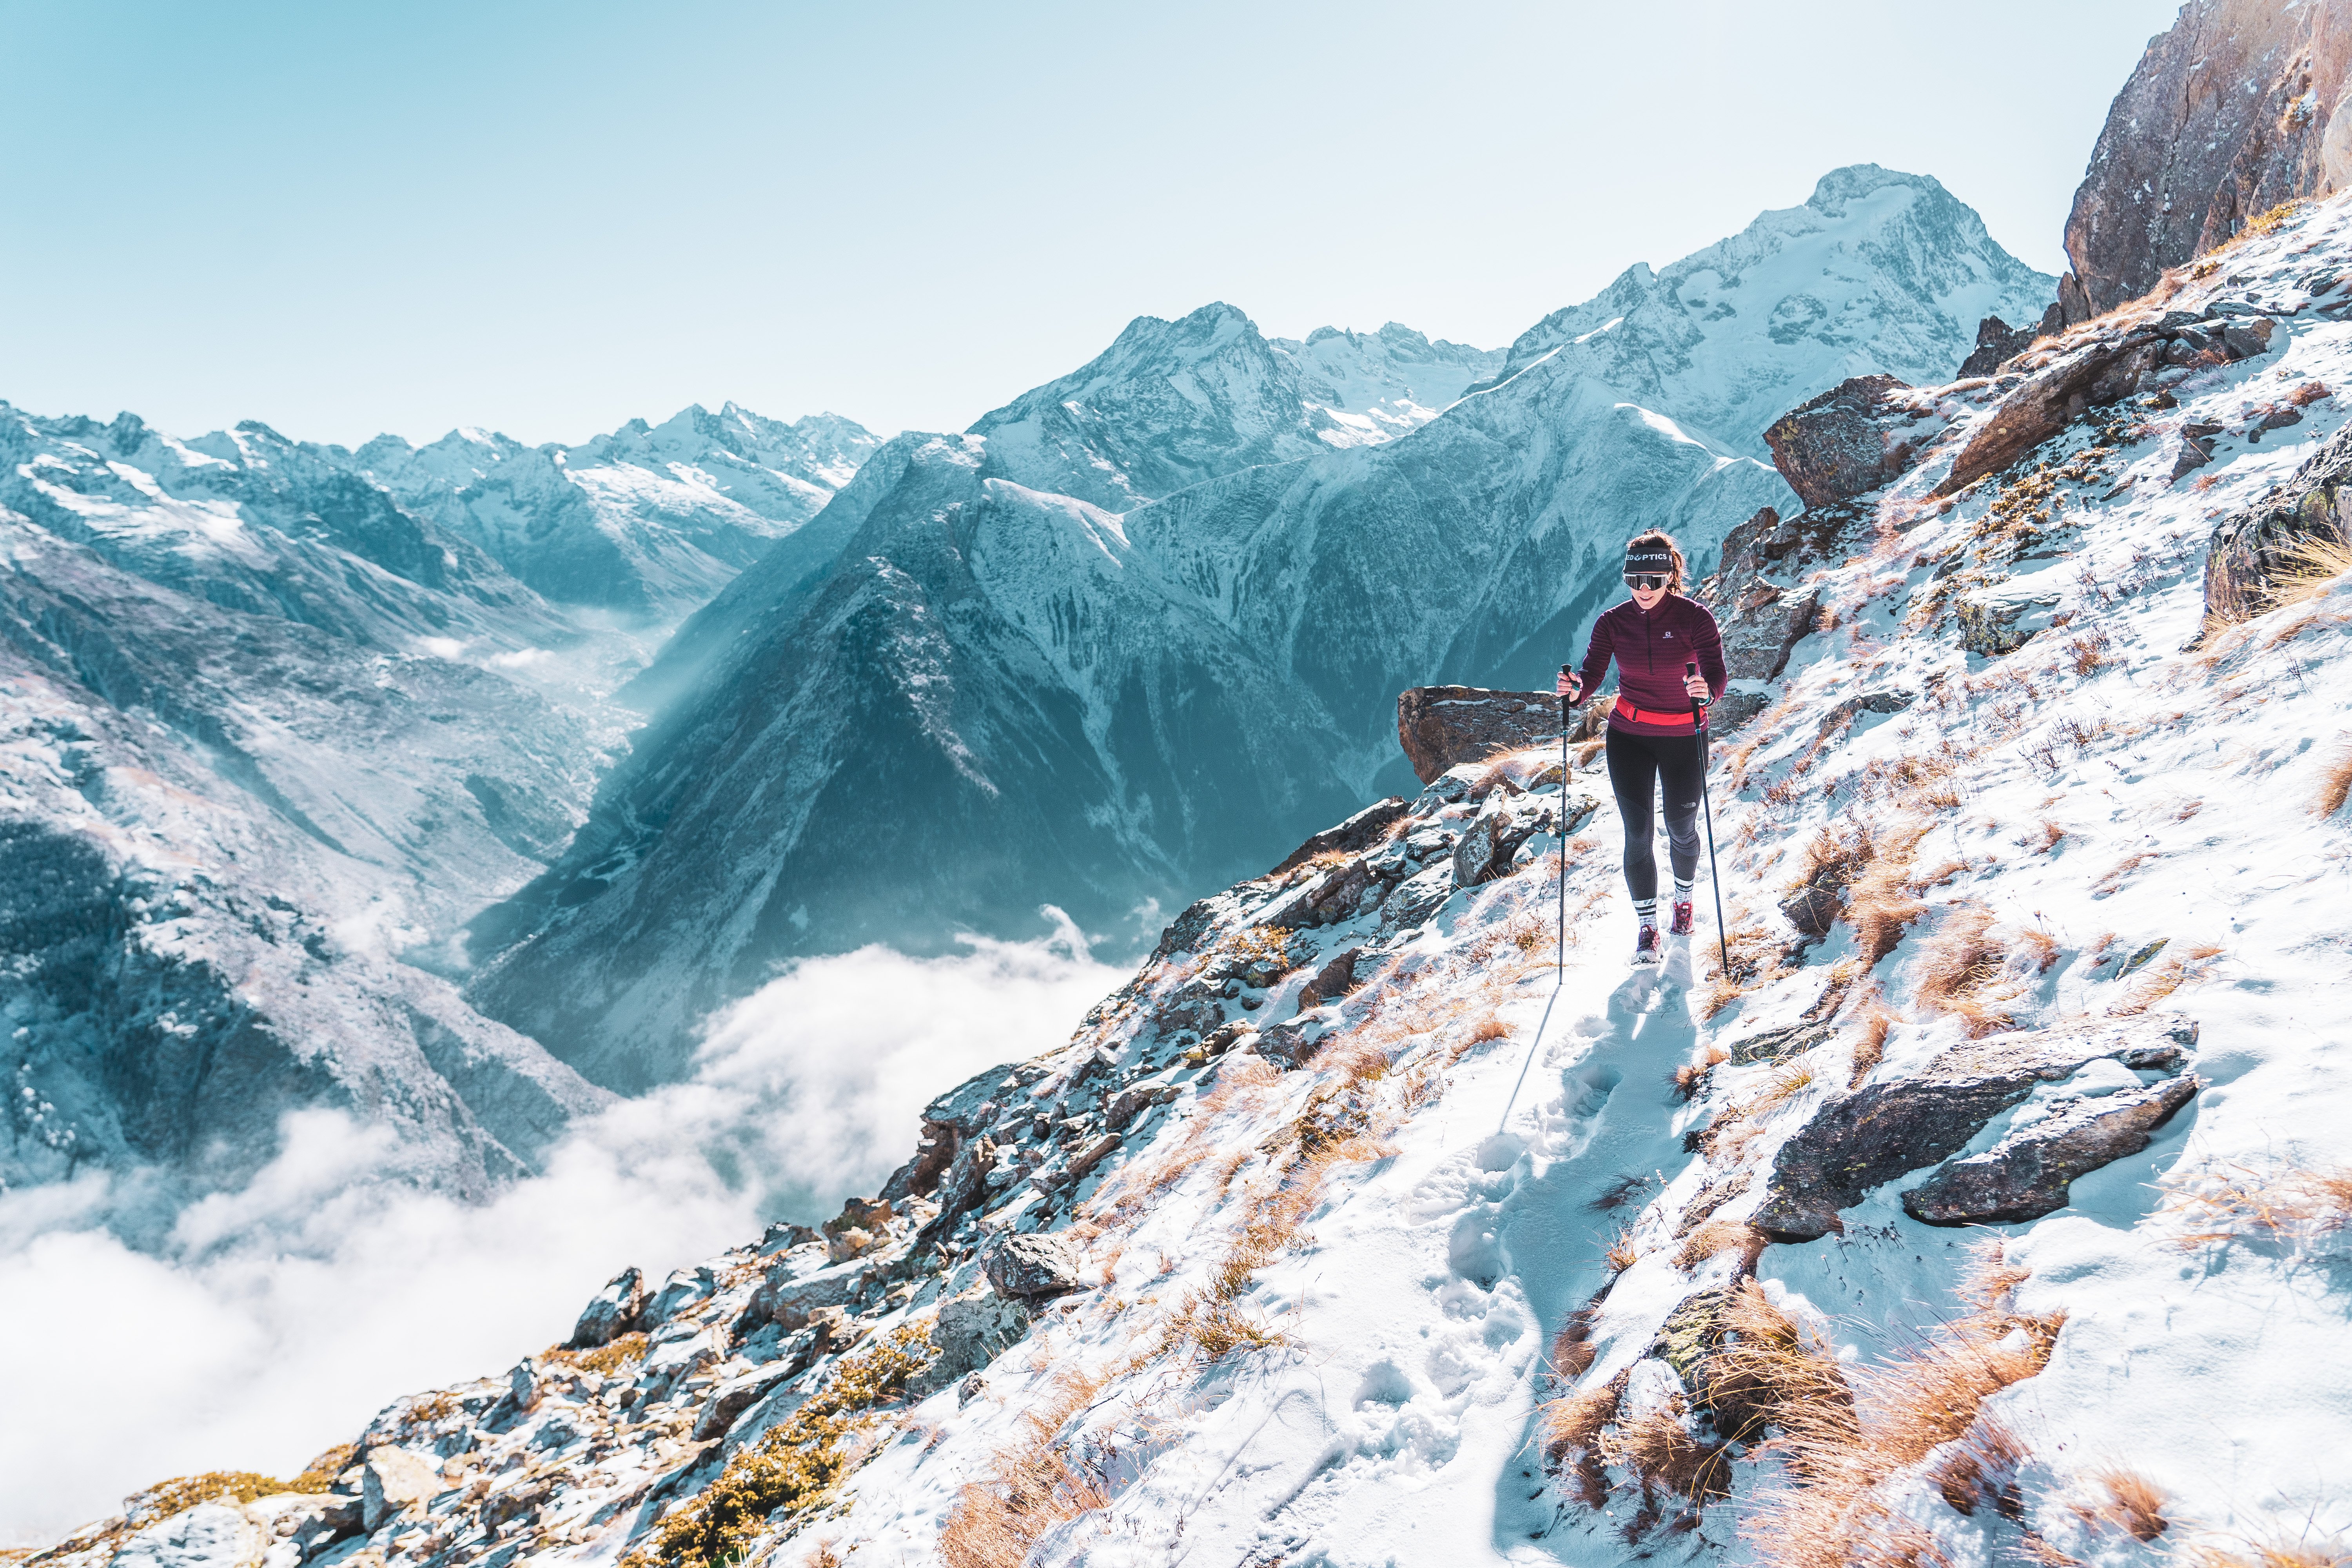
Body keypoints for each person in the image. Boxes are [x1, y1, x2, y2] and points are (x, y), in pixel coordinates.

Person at [1556, 530, 1727, 965]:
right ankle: (1648, 929)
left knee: (1682, 827)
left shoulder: (1696, 618)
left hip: (1685, 735)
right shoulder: (1612, 623)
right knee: (1639, 834)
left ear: (1670, 575)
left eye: (1653, 579)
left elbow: (1716, 672)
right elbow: (1591, 674)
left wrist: (1706, 691)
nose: (1644, 590)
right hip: (1629, 737)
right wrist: (1575, 691)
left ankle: (1684, 902)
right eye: (1635, 580)